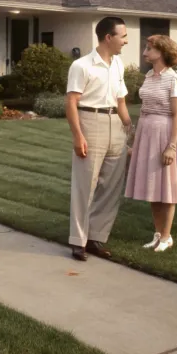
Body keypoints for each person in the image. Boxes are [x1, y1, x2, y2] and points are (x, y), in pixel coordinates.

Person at [65, 17, 132, 261]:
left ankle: (96, 238)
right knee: (85, 186)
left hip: (115, 124)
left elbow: (122, 101)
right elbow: (71, 102)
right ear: (108, 37)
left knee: (111, 187)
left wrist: (130, 132)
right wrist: (78, 135)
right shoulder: (82, 66)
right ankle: (78, 241)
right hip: (90, 123)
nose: (126, 41)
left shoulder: (118, 65)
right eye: (123, 36)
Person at [125, 34, 177, 252]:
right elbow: (143, 109)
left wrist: (171, 146)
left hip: (164, 132)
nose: (145, 52)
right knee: (152, 187)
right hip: (146, 131)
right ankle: (157, 233)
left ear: (161, 52)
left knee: (167, 187)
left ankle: (166, 237)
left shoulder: (174, 80)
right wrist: (134, 140)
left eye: (149, 48)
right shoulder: (148, 76)